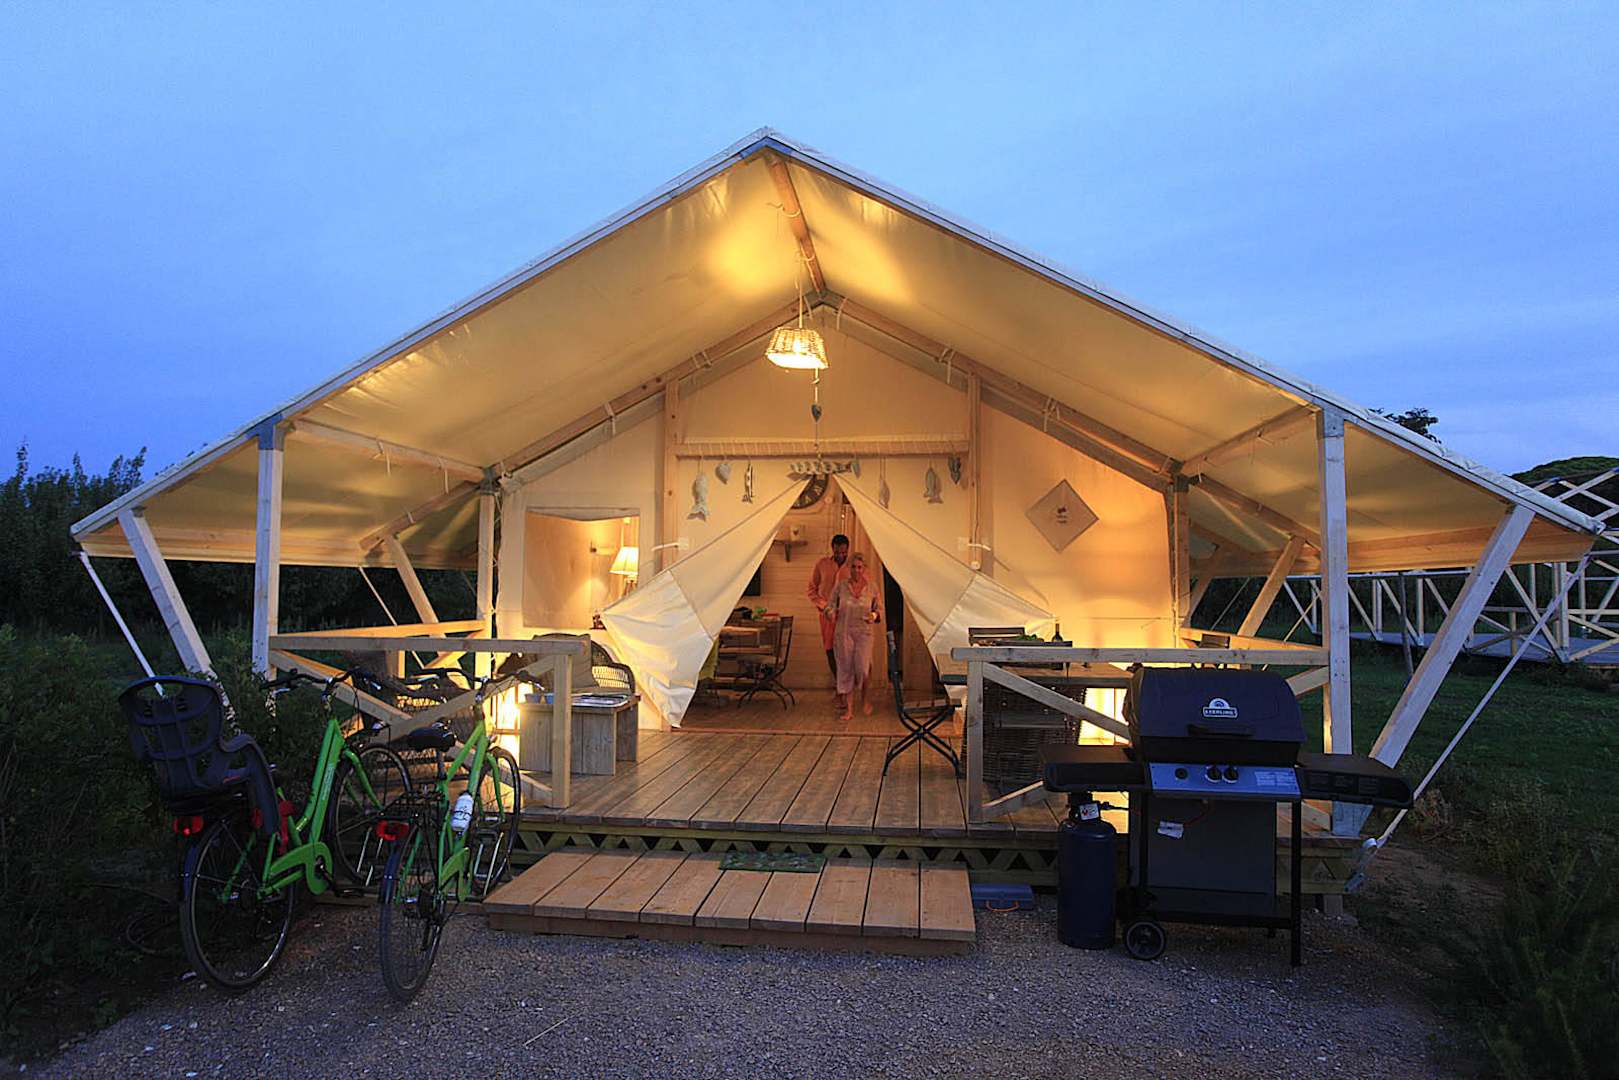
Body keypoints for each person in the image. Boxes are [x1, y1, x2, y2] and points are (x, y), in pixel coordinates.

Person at [826, 552, 882, 721]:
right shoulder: (841, 586)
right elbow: (829, 606)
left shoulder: (872, 587)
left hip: (864, 633)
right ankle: (849, 710)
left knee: (863, 668)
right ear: (849, 568)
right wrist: (830, 613)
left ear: (864, 569)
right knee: (845, 669)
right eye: (853, 567)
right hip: (844, 632)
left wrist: (873, 615)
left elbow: (879, 610)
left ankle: (865, 698)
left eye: (859, 567)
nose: (856, 570)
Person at [806, 533, 850, 678]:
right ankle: (839, 682)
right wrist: (824, 606)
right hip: (827, 615)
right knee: (830, 649)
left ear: (847, 550)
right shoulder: (822, 564)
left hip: (847, 615)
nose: (840, 556)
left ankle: (847, 683)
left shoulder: (854, 567)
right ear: (832, 549)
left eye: (843, 552)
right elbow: (811, 590)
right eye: (837, 552)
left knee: (846, 649)